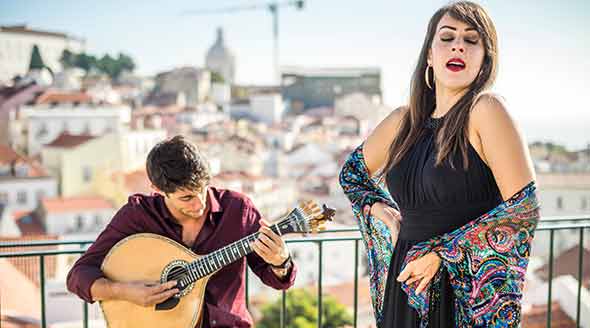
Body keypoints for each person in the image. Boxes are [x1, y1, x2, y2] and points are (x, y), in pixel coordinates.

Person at [339, 1, 539, 327]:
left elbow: (524, 209)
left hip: (462, 295)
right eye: (447, 37)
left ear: (485, 61)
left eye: (471, 40)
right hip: (406, 282)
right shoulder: (402, 122)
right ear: (430, 55)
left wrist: (442, 258)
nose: (458, 44)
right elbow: (352, 175)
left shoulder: (486, 111)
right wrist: (383, 211)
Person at [67, 135, 297, 328]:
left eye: (202, 191)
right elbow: (78, 276)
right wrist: (124, 292)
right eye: (186, 198)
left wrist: (280, 261)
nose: (199, 204)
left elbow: (278, 281)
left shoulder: (237, 209)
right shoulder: (138, 216)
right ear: (157, 190)